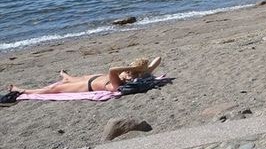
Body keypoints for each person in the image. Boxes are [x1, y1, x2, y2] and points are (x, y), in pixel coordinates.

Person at [8, 56, 160, 96]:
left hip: (87, 86)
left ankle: (22, 91)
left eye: (127, 72)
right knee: (73, 78)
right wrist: (145, 69)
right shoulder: (134, 76)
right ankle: (67, 76)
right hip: (95, 77)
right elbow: (157, 59)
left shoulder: (118, 84)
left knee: (55, 88)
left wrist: (133, 68)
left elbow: (112, 69)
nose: (125, 72)